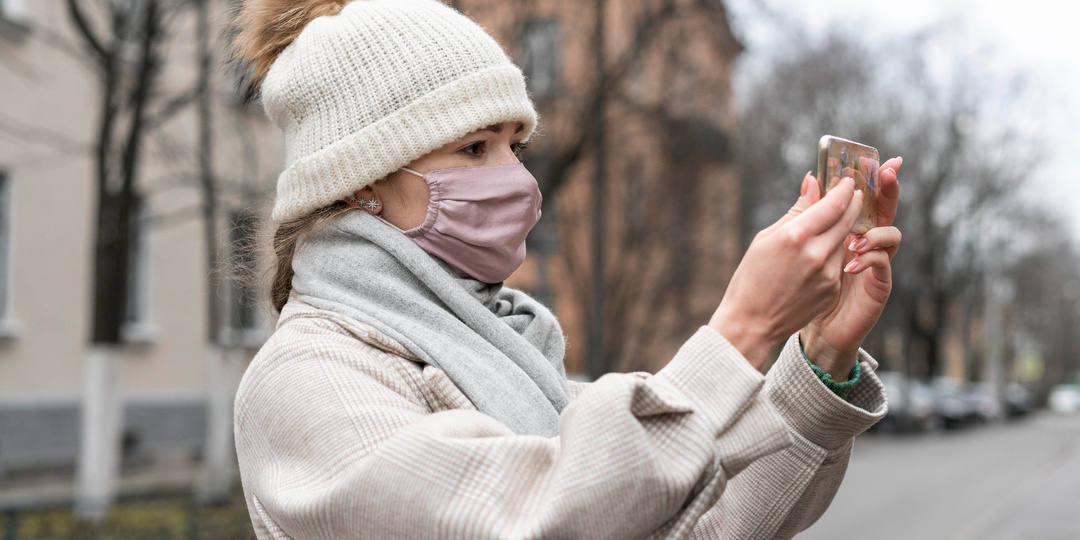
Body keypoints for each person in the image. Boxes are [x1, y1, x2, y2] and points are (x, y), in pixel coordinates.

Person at [231, 0, 900, 538]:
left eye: (513, 144)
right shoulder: (310, 378)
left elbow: (696, 524)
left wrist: (822, 353)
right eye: (473, 147)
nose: (515, 178)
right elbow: (533, 516)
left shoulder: (517, 355)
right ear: (359, 183)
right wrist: (743, 329)